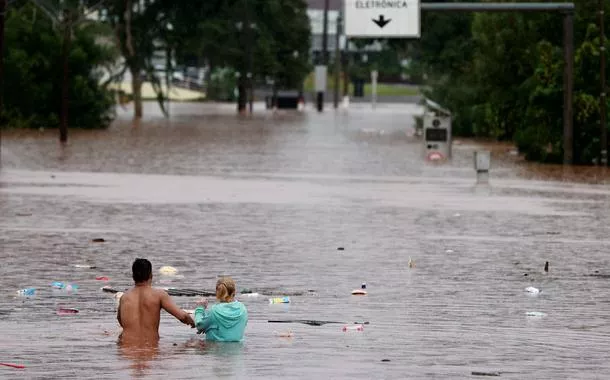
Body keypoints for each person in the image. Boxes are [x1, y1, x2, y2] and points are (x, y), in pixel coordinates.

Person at [117, 258, 194, 344]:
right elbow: (183, 316)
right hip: (150, 348)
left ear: (133, 276)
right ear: (151, 275)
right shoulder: (159, 295)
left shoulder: (124, 297)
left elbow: (120, 320)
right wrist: (193, 322)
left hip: (126, 350)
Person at [194, 277, 248, 342]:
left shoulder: (214, 311)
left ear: (217, 292)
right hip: (237, 350)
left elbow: (199, 326)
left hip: (216, 349)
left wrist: (200, 309)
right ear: (234, 292)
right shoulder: (243, 309)